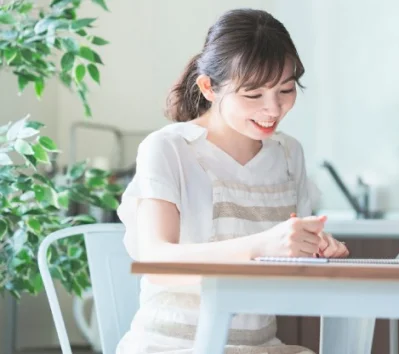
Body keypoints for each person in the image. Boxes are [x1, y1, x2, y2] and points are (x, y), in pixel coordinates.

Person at [115, 8, 348, 354]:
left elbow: (287, 265)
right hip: (172, 346)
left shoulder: (288, 155)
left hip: (260, 347)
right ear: (208, 88)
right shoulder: (169, 148)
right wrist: (263, 247)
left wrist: (312, 249)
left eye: (285, 90)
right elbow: (156, 261)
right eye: (253, 95)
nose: (273, 109)